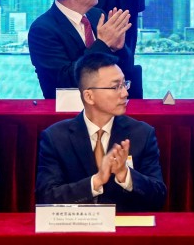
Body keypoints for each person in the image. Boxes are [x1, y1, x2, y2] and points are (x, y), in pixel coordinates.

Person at [35, 53, 166, 210]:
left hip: (126, 230)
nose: (125, 93)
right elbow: (46, 197)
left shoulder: (142, 134)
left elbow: (159, 197)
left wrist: (125, 174)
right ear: (89, 96)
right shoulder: (55, 138)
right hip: (77, 229)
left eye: (125, 84)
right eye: (115, 86)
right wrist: (96, 181)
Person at [28, 0, 137, 99]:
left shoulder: (98, 16)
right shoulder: (43, 30)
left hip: (111, 106)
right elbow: (65, 81)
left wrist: (119, 48)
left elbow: (126, 71)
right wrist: (103, 44)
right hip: (69, 117)